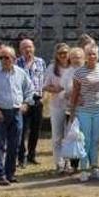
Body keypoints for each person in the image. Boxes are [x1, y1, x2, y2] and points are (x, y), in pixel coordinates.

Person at [0, 46, 34, 186]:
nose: (3, 60)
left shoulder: (21, 73)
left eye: (7, 57)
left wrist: (26, 103)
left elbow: (30, 89)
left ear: (14, 59)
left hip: (16, 112)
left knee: (14, 144)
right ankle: (0, 175)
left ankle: (10, 173)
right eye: (1, 57)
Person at [68, 43, 99, 182]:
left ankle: (95, 168)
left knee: (96, 140)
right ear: (85, 55)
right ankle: (84, 169)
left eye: (94, 54)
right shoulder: (79, 72)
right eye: (89, 54)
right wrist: (72, 112)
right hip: (84, 111)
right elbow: (75, 93)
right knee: (85, 140)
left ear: (98, 55)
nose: (92, 56)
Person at [16, 38, 46, 168]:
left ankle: (32, 155)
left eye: (30, 47)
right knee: (21, 130)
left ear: (34, 48)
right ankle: (21, 157)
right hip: (23, 101)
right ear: (20, 50)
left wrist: (44, 97)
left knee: (35, 129)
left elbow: (44, 80)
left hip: (37, 99)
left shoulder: (41, 62)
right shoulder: (16, 63)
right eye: (24, 47)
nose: (28, 50)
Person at [43, 43, 72, 173]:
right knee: (57, 136)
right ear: (56, 55)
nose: (63, 55)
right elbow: (45, 86)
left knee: (70, 135)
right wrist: (56, 89)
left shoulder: (73, 67)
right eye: (60, 53)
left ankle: (68, 162)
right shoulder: (51, 68)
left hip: (72, 105)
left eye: (65, 52)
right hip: (57, 105)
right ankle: (59, 163)